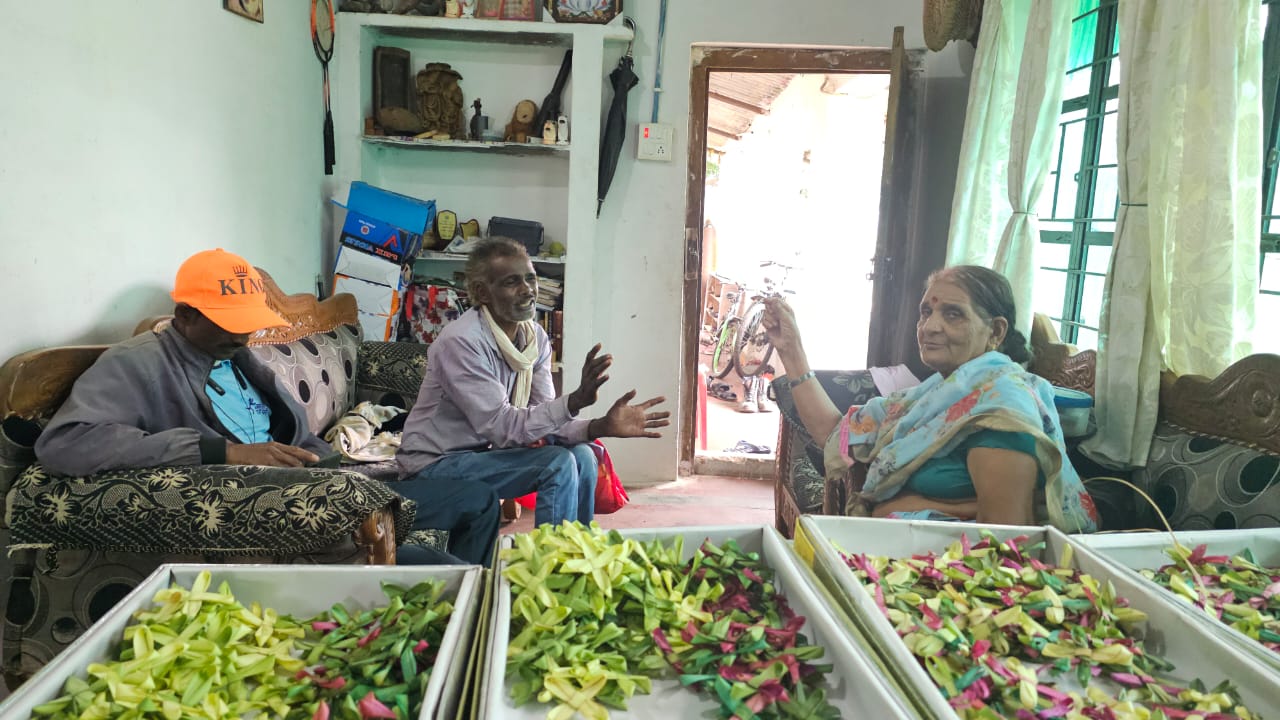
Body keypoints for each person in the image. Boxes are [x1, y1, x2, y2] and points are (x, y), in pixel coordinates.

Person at [34, 249, 499, 565]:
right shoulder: (138, 365)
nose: (242, 336)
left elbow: (295, 435)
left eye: (248, 324)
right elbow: (64, 442)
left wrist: (346, 470)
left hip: (328, 485)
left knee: (478, 500)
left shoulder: (234, 355)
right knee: (441, 568)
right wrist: (221, 452)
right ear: (185, 316)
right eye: (230, 324)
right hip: (284, 513)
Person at [761, 265, 1098, 532]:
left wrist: (898, 508)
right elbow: (836, 433)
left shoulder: (1001, 409)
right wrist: (791, 351)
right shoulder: (933, 393)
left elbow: (1007, 538)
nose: (929, 326)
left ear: (995, 331)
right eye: (926, 312)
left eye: (953, 314)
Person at [396, 238, 670, 528]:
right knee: (557, 463)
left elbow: (545, 417)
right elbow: (503, 427)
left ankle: (580, 556)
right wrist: (574, 401)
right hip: (434, 465)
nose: (528, 290)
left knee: (583, 457)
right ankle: (552, 563)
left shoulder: (534, 338)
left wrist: (600, 426)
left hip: (483, 456)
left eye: (531, 278)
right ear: (482, 292)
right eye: (512, 282)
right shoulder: (462, 342)